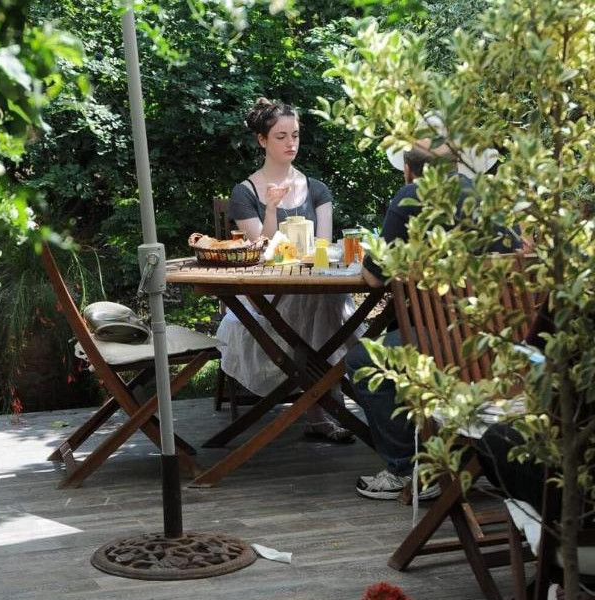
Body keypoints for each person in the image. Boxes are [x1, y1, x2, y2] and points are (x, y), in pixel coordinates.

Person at [347, 137, 522, 500]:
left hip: (450, 348)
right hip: (508, 351)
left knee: (364, 361)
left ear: (409, 171)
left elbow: (374, 278)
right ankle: (467, 457)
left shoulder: (411, 197)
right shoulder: (493, 198)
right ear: (457, 166)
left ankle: (408, 470)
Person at [215, 97, 358, 443]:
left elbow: (322, 248)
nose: (290, 143)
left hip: (313, 286)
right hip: (264, 296)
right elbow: (261, 255)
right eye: (281, 136)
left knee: (324, 299)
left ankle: (319, 406)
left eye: (295, 135)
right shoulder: (245, 193)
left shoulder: (317, 189)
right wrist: (271, 210)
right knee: (324, 305)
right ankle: (329, 402)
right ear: (262, 140)